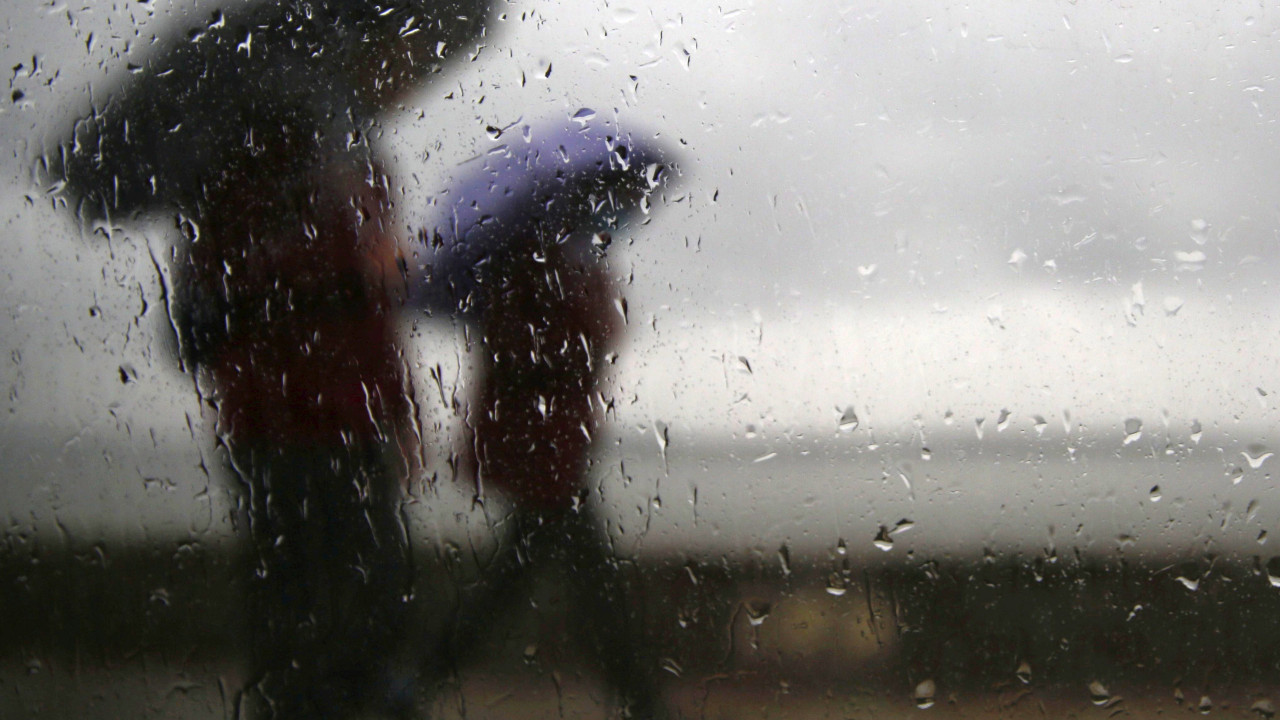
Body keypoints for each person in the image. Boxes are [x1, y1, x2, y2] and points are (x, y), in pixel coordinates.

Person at [50, 1, 493, 717]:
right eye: (402, 54)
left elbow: (370, 313)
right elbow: (301, 293)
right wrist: (348, 249)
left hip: (342, 408)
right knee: (311, 596)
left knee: (361, 590)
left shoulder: (344, 142)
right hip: (287, 409)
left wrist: (401, 409)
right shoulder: (265, 152)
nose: (410, 75)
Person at [413, 118, 676, 718]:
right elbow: (535, 354)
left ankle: (420, 678)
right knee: (592, 585)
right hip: (536, 444)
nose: (620, 213)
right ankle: (643, 698)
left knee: (519, 580)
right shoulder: (527, 270)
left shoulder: (570, 264)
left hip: (556, 443)